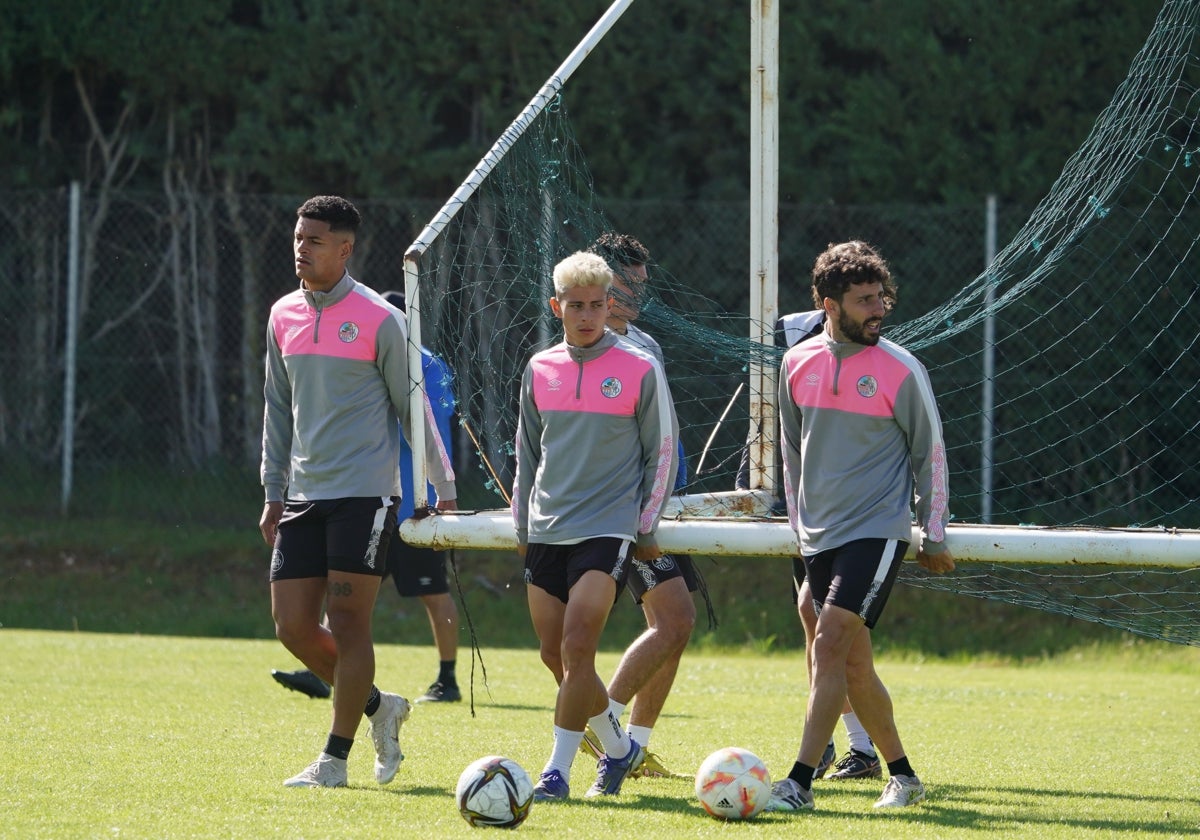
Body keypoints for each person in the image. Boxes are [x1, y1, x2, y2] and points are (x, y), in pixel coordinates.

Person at [260, 195, 457, 789]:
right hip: (302, 494)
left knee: (348, 623)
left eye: (314, 240)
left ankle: (334, 761)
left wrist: (442, 485)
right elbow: (277, 409)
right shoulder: (281, 315)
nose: (302, 248)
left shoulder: (379, 318)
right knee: (292, 627)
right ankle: (380, 706)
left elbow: (413, 407)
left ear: (345, 248)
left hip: (366, 497)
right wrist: (273, 490)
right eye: (298, 237)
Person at [768, 240, 954, 812]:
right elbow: (791, 456)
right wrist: (800, 528)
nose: (878, 310)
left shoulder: (900, 368)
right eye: (864, 300)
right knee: (852, 662)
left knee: (827, 646)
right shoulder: (796, 363)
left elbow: (932, 453)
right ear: (828, 304)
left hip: (876, 529)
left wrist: (935, 530)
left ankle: (798, 782)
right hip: (819, 534)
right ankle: (903, 775)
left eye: (881, 298)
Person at [513, 251, 679, 802]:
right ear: (556, 307)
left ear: (610, 305)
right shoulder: (540, 368)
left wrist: (646, 521)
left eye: (596, 305)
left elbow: (663, 450)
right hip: (546, 529)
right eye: (575, 306)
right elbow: (527, 456)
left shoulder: (638, 367)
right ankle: (618, 748)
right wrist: (522, 526)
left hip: (608, 528)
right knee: (554, 656)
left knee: (577, 646)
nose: (587, 316)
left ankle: (555, 773)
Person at [270, 290, 462, 705]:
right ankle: (328, 674)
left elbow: (427, 420)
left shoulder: (423, 364)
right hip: (358, 495)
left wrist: (442, 486)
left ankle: (447, 678)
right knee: (342, 601)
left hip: (411, 502)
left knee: (432, 591)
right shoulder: (356, 342)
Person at [740, 307, 884, 782]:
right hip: (813, 515)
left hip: (863, 518)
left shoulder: (877, 347)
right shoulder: (790, 339)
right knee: (819, 625)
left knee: (833, 631)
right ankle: (846, 749)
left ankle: (853, 753)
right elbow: (783, 430)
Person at [579, 231, 703, 780]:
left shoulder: (646, 344)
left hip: (658, 507)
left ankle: (633, 748)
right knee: (676, 620)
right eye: (623, 283)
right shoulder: (586, 347)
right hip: (622, 511)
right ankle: (601, 723)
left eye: (639, 284)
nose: (633, 292)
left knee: (675, 625)